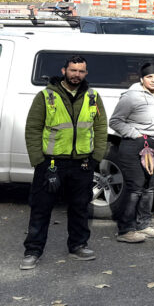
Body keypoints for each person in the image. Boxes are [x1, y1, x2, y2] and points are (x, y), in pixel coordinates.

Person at [21, 56, 107, 270]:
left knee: (79, 207)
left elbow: (100, 128)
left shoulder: (93, 97)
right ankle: (33, 250)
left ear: (86, 73)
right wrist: (38, 161)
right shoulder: (46, 96)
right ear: (64, 70)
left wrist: (96, 157)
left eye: (81, 71)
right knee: (41, 208)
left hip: (82, 163)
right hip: (51, 163)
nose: (76, 74)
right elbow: (33, 128)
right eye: (73, 70)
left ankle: (78, 245)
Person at [107, 61, 154, 244]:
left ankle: (144, 224)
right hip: (137, 145)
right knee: (135, 186)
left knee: (150, 186)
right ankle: (126, 229)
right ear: (142, 79)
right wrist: (135, 135)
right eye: (149, 77)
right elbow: (115, 121)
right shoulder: (131, 96)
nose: (153, 80)